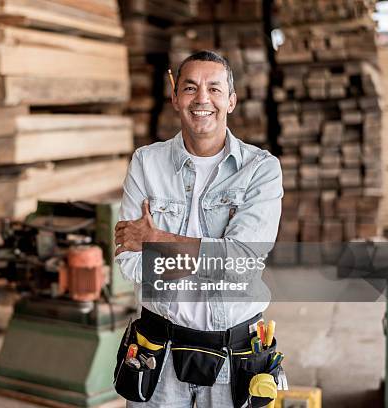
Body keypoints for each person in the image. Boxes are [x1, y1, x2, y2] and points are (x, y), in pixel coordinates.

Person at [114, 50, 283, 407]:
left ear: (232, 101)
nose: (202, 98)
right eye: (190, 88)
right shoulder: (146, 163)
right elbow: (128, 259)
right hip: (157, 351)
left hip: (235, 352)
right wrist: (213, 258)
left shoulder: (261, 170)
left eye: (214, 89)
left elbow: (243, 260)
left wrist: (157, 240)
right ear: (175, 98)